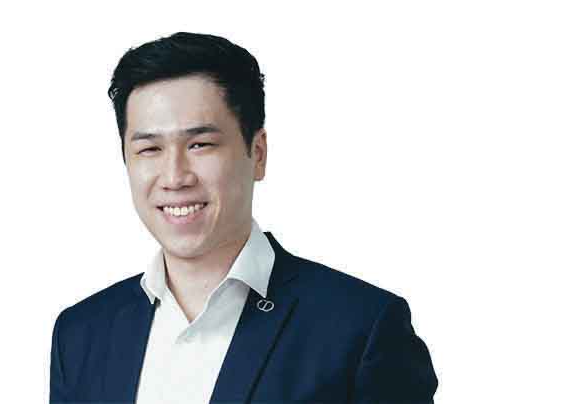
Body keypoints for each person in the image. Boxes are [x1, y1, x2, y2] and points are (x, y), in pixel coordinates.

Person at [49, 32, 438, 404]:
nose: (175, 177)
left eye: (200, 144)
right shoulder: (81, 334)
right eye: (149, 149)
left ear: (258, 153)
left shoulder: (361, 328)